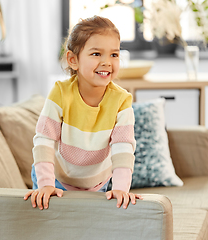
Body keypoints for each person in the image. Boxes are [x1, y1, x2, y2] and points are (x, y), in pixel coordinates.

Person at [24, 15, 143, 210]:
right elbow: (44, 140)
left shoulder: (122, 101)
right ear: (73, 60)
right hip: (55, 178)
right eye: (96, 54)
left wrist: (121, 188)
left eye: (114, 55)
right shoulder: (60, 93)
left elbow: (124, 148)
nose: (107, 62)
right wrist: (45, 184)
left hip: (96, 183)